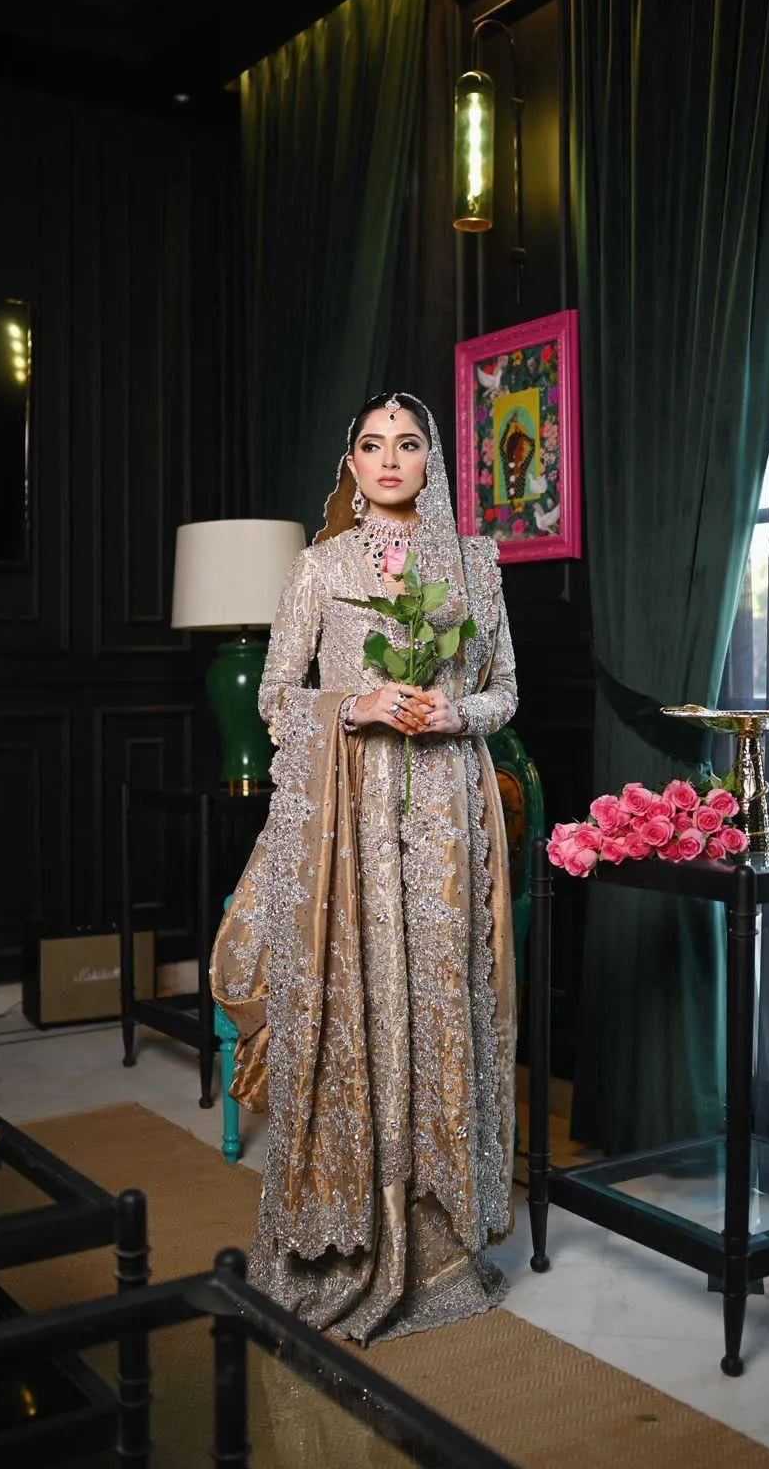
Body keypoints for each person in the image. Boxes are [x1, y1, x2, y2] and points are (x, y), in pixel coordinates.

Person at [210, 392, 518, 1344]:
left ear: (433, 462)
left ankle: (437, 1243)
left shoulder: (473, 565)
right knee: (362, 1004)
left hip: (445, 822)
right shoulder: (320, 566)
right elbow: (275, 697)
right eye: (373, 445)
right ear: (350, 462)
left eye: (410, 443)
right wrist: (356, 705)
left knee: (438, 1004)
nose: (391, 459)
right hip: (349, 823)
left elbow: (506, 691)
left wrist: (451, 714)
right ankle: (351, 1236)